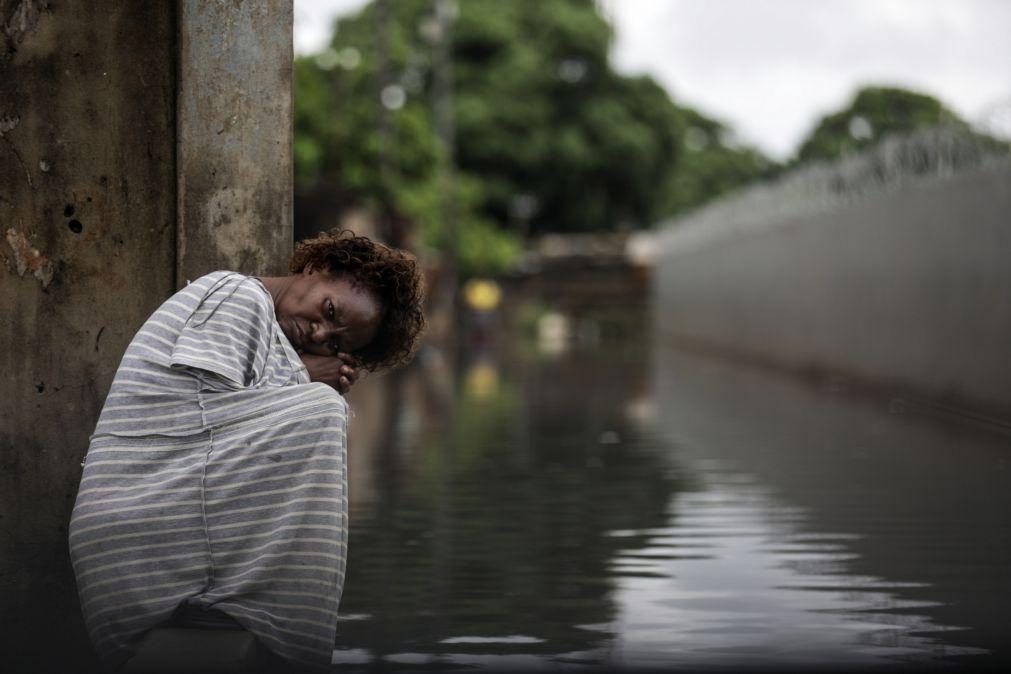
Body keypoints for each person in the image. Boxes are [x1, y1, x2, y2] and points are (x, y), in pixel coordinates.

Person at [68, 230, 426, 671]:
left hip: (162, 529)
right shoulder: (237, 294)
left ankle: (247, 609)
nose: (318, 332)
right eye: (329, 310)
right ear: (320, 268)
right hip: (138, 523)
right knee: (322, 412)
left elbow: (227, 428)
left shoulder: (273, 333)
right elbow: (201, 413)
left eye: (335, 343)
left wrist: (300, 375)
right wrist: (306, 379)